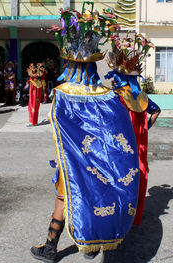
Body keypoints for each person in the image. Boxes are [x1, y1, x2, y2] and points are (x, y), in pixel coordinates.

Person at [30, 7, 136, 263]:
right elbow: (120, 127)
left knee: (64, 198)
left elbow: (59, 125)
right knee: (96, 194)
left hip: (72, 160)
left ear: (70, 63)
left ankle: (51, 247)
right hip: (100, 161)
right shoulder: (108, 95)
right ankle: (93, 242)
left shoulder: (63, 93)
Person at [104, 33, 159, 226]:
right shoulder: (141, 96)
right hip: (140, 152)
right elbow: (156, 111)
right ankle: (136, 217)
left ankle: (120, 217)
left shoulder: (117, 96)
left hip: (120, 152)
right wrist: (145, 127)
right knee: (140, 176)